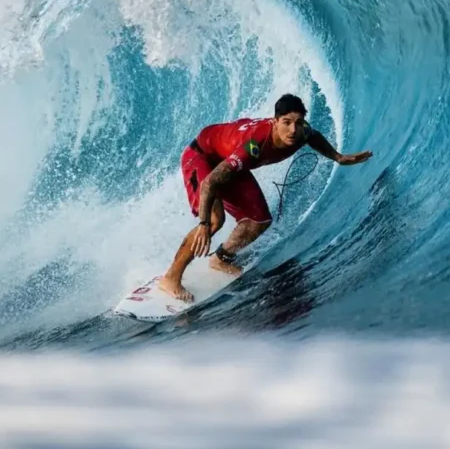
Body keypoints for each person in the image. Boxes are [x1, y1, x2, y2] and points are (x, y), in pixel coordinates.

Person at [158, 94, 373, 302]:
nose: (292, 130)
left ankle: (221, 258)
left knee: (259, 220)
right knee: (215, 220)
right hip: (202, 156)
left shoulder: (302, 132)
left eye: (298, 123)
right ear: (274, 121)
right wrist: (204, 224)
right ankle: (171, 278)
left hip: (226, 159)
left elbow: (313, 136)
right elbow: (209, 183)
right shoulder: (254, 145)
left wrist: (338, 157)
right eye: (286, 123)